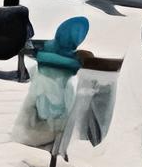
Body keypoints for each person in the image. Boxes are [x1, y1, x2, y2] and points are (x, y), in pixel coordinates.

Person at [12, 17, 88, 149]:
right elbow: (50, 112)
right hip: (38, 134)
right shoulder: (60, 82)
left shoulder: (42, 70)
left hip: (30, 132)